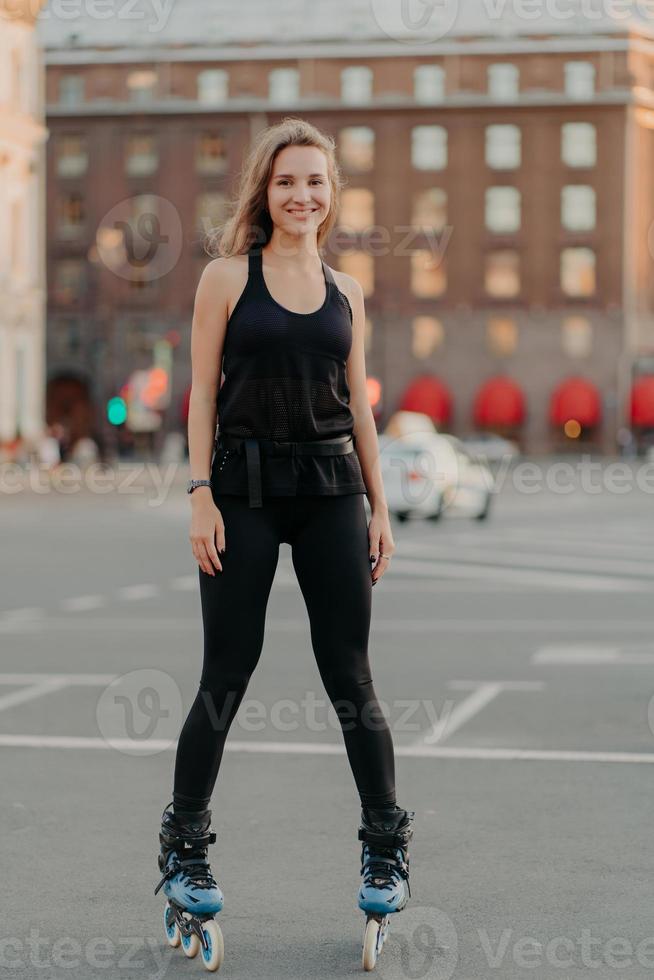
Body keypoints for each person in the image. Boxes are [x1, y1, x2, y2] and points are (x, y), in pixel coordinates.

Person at [155, 118, 414, 956]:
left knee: (351, 674)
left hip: (333, 488)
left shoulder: (349, 291)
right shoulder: (228, 278)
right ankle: (184, 851)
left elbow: (361, 403)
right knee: (226, 670)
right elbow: (200, 395)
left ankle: (384, 850)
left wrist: (380, 506)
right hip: (244, 491)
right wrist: (200, 495)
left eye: (315, 182)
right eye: (287, 182)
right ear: (265, 194)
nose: (302, 195)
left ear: (331, 195)